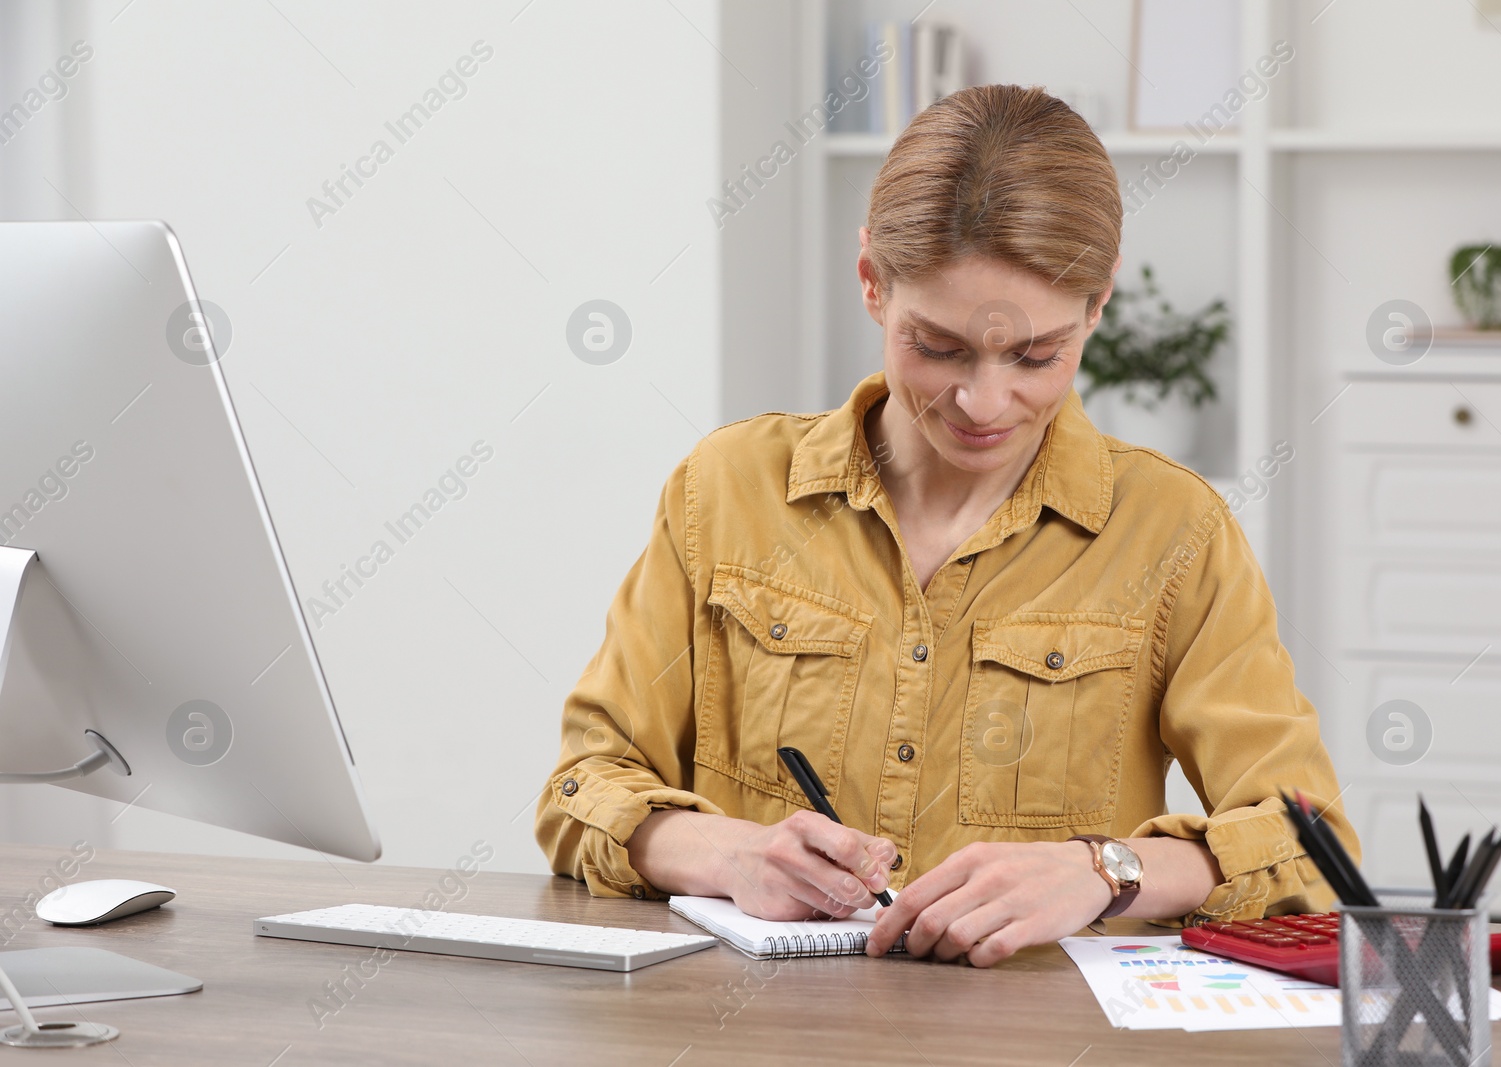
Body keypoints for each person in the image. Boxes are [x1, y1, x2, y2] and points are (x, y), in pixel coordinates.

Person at [535, 83, 1357, 969]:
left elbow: (1310, 845)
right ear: (872, 285)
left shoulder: (1175, 531)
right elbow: (584, 789)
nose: (984, 402)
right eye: (938, 347)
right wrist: (729, 853)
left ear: (1096, 308)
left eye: (1037, 356)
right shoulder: (726, 490)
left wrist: (1105, 870)